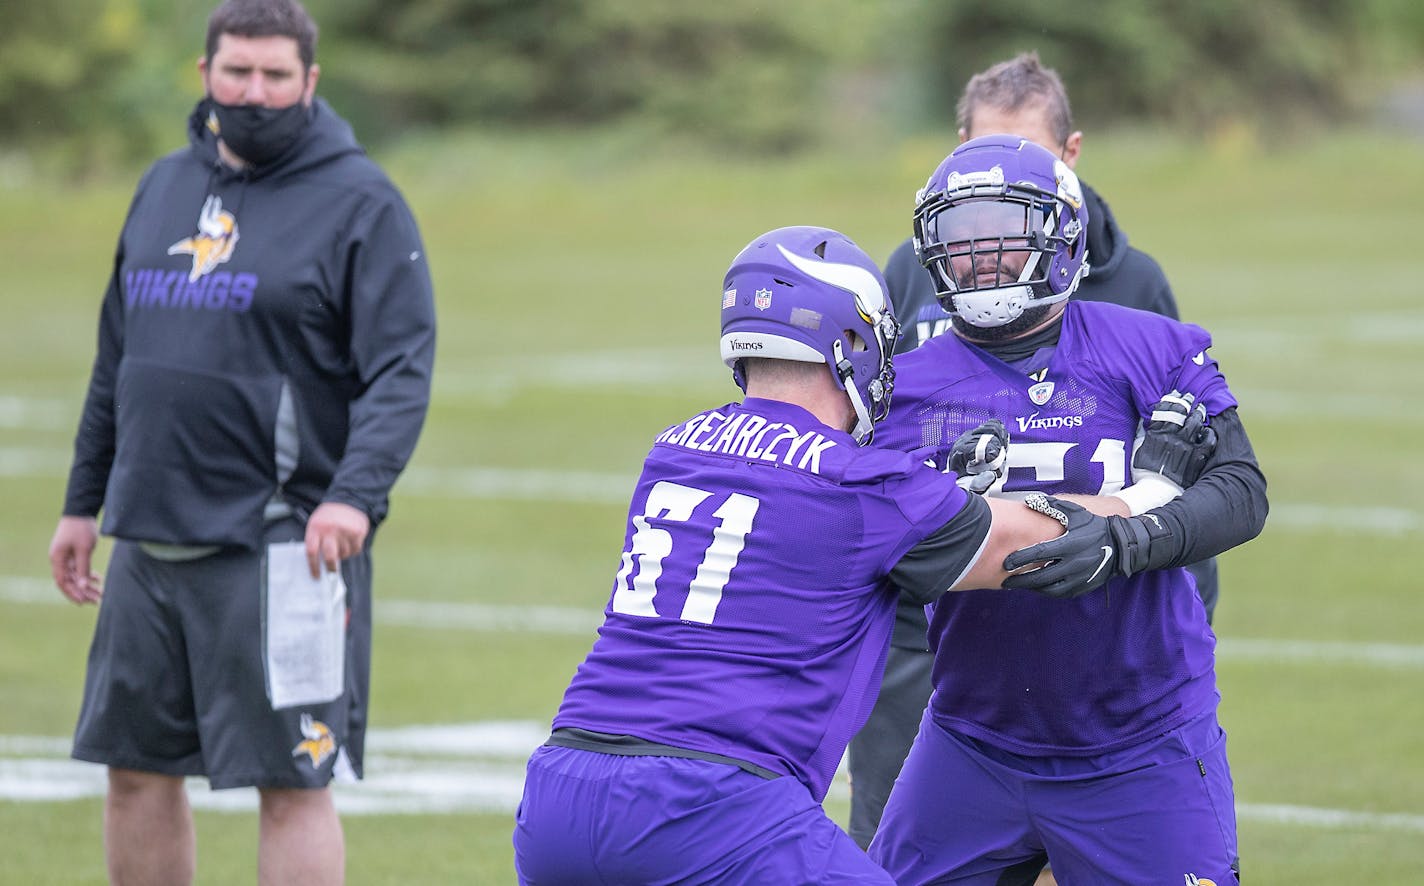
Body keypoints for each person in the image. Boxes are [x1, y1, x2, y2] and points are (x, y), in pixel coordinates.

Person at [509, 224, 1188, 884]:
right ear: (852, 344)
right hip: (709, 802)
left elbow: (789, 536)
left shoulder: (674, 451)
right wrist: (1147, 493)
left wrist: (935, 496)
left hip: (560, 795)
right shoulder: (862, 482)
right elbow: (1030, 539)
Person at [45, 1, 435, 883]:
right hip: (148, 539)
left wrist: (353, 494)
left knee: (291, 783)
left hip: (280, 545)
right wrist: (82, 500)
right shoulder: (162, 187)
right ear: (204, 72)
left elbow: (402, 370)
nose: (253, 93)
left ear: (310, 83)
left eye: (274, 76)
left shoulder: (360, 202)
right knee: (135, 777)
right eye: (237, 73)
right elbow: (119, 358)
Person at [864, 135, 1267, 885]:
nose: (981, 260)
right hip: (972, 735)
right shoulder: (898, 391)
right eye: (961, 240)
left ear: (1061, 237)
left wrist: (1131, 540)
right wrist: (1141, 495)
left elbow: (1242, 491)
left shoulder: (1151, 347)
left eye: (1004, 238)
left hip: (1142, 738)